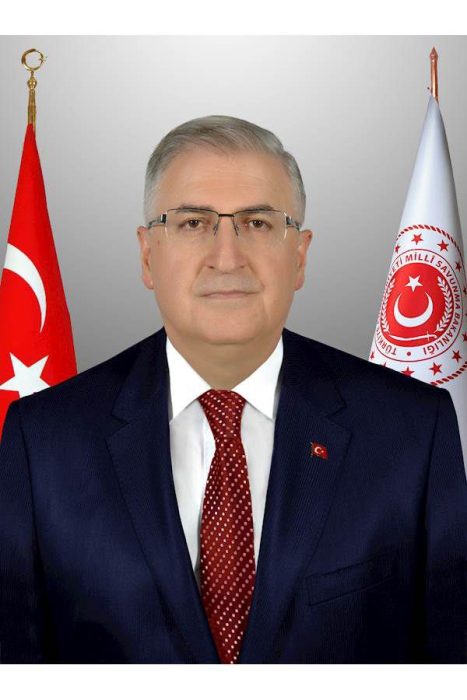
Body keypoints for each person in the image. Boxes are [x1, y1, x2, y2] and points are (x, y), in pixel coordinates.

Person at [0, 115, 466, 664]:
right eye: (193, 223)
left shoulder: (412, 431)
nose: (227, 257)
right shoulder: (43, 440)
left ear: (300, 257)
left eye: (258, 223)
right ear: (147, 255)